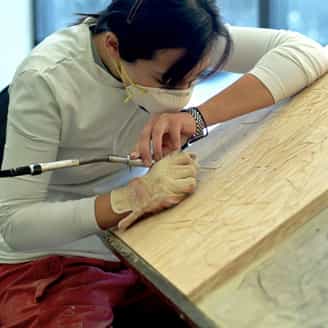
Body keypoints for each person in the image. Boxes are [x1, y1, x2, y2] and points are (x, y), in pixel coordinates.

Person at [0, 0, 327, 326]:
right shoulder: (47, 79)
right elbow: (16, 226)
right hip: (48, 258)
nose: (181, 95)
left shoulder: (181, 42)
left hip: (134, 238)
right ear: (113, 45)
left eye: (194, 79)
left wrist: (197, 119)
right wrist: (131, 198)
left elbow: (305, 51)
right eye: (167, 82)